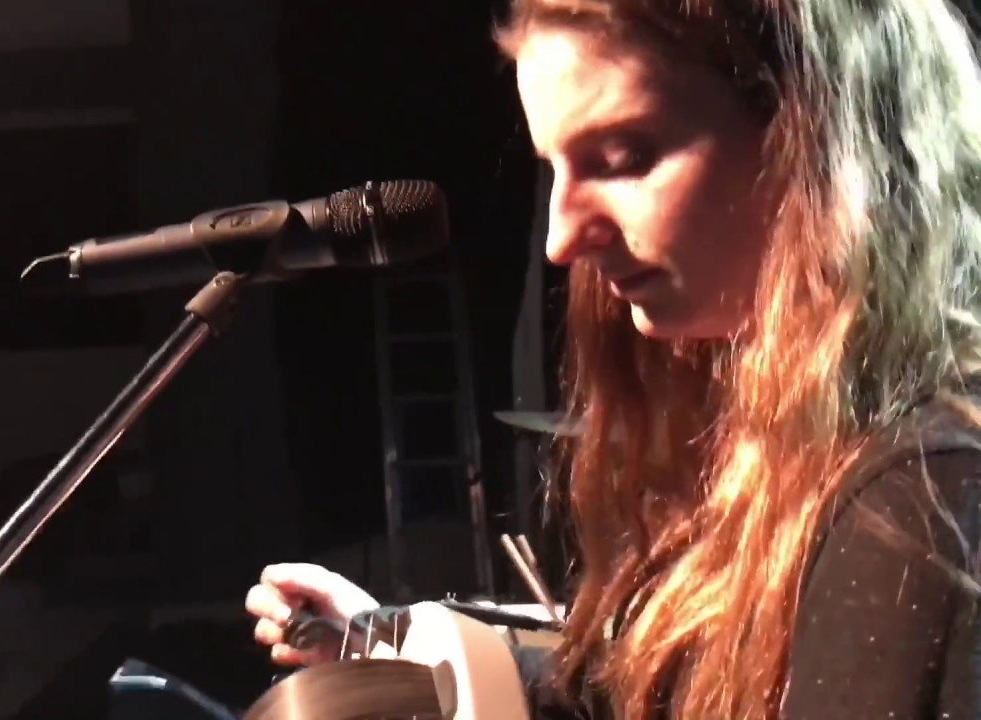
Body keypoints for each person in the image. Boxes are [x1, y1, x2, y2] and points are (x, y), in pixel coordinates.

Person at [245, 0, 981, 718]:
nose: (561, 240)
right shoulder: (788, 437)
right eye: (555, 170)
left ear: (812, 131)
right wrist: (393, 644)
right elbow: (659, 693)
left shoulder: (919, 496)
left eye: (624, 159)